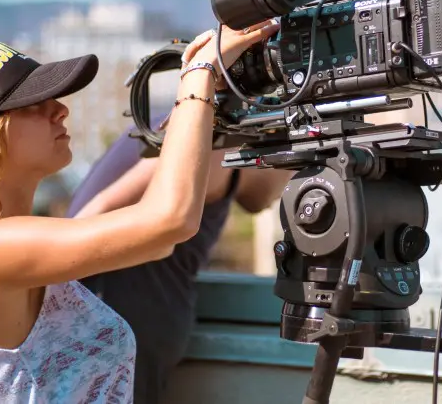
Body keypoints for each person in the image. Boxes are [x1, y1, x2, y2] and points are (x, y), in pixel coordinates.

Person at [0, 21, 279, 403]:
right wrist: (199, 74)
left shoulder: (17, 239)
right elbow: (170, 222)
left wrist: (208, 111)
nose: (60, 108)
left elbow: (158, 242)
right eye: (32, 104)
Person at [67, 113, 291, 404]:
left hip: (120, 335)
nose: (293, 184)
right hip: (115, 333)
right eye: (297, 165)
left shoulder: (192, 131)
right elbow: (91, 217)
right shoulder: (212, 145)